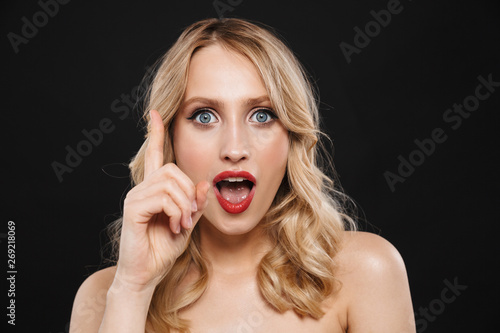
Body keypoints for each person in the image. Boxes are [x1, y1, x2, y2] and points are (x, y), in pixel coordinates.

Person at [69, 18, 415, 332]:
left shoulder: (367, 271)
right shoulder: (102, 296)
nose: (234, 148)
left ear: (291, 136)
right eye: (204, 116)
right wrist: (132, 288)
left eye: (262, 115)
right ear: (170, 137)